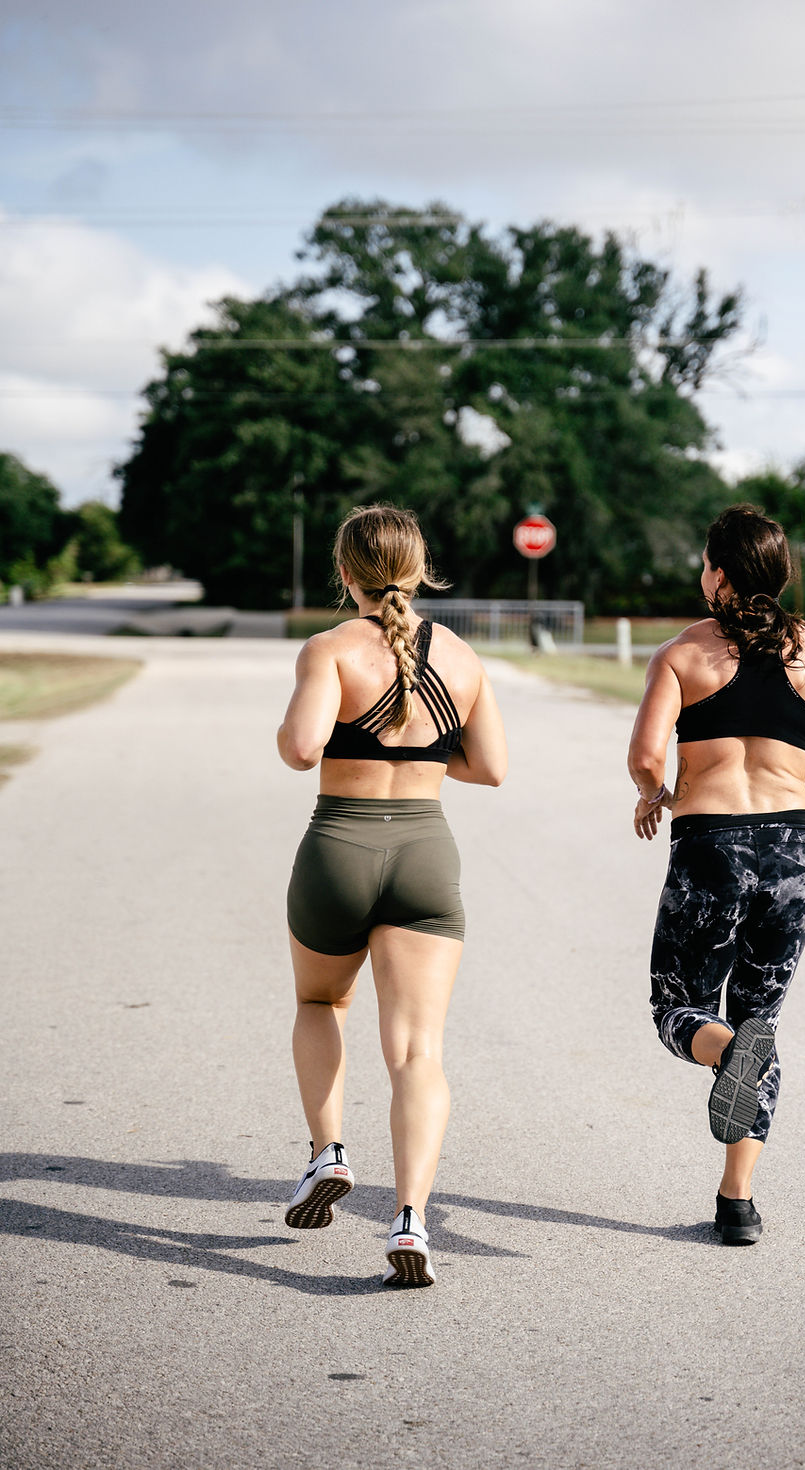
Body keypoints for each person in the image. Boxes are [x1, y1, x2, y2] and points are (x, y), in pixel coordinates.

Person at [628, 504, 805, 1245]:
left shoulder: (682, 655)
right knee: (760, 1018)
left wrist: (653, 794)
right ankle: (736, 1203)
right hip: (791, 850)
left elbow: (646, 756)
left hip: (709, 844)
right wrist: (798, 815)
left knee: (677, 1004)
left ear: (720, 575)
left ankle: (723, 1049)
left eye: (705, 565)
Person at [277, 504, 507, 1285]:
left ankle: (327, 1153)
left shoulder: (329, 649)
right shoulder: (467, 660)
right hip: (424, 851)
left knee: (320, 1004)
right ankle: (410, 1221)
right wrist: (427, 752)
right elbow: (492, 766)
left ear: (345, 575)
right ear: (421, 568)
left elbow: (301, 749)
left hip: (338, 844)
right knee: (418, 1051)